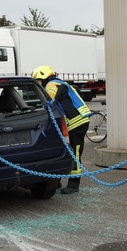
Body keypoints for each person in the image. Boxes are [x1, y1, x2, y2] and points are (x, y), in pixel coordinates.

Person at [32, 65, 91, 194]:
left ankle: (74, 185)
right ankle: (57, 181)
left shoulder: (51, 85)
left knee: (74, 153)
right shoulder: (59, 83)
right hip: (78, 121)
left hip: (76, 123)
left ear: (42, 77)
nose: (38, 84)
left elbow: (49, 103)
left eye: (38, 81)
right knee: (68, 151)